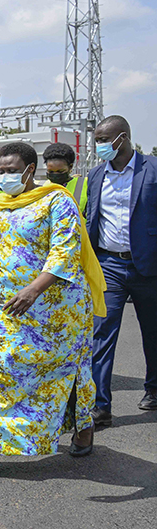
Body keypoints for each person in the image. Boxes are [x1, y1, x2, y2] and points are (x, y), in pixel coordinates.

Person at [0, 141, 105, 479]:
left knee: (65, 370)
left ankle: (83, 429)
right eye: (2, 170)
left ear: (31, 170)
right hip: (5, 308)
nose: (6, 176)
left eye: (12, 170)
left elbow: (66, 250)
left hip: (55, 310)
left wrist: (33, 290)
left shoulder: (56, 200)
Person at [85, 115, 157, 427]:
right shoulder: (96, 174)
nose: (100, 145)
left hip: (149, 266)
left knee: (153, 333)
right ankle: (101, 404)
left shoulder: (152, 169)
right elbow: (92, 217)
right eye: (97, 140)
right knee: (101, 333)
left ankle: (154, 389)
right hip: (109, 265)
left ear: (123, 138)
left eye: (104, 139)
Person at [42, 142, 88, 214]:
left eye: (60, 171)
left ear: (70, 167)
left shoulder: (85, 184)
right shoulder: (43, 187)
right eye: (51, 171)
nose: (55, 175)